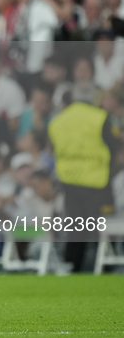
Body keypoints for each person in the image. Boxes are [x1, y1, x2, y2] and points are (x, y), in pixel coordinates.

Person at [48, 95, 121, 272]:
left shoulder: (58, 121)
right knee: (103, 225)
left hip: (70, 181)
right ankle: (104, 265)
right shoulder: (100, 117)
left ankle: (74, 265)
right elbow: (114, 146)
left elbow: (54, 148)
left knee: (76, 225)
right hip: (97, 181)